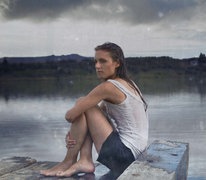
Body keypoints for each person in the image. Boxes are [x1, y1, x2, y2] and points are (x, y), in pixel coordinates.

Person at [40, 42, 149, 178]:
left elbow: (70, 116)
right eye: (96, 61)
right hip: (134, 156)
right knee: (86, 108)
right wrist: (75, 132)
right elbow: (96, 116)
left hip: (124, 157)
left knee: (82, 102)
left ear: (117, 63)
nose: (97, 66)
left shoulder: (109, 87)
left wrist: (74, 131)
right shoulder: (128, 83)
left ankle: (69, 161)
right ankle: (84, 160)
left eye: (103, 61)